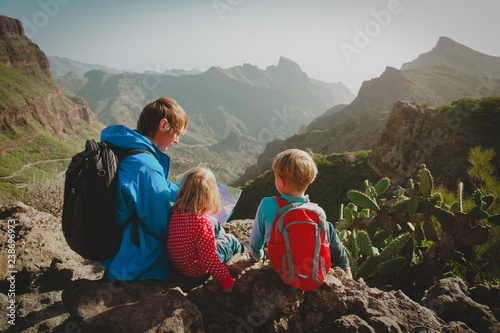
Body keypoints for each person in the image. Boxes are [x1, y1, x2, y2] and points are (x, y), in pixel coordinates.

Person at [99, 96, 188, 281]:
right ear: (164, 125)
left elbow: (154, 186)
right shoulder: (146, 166)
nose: (177, 140)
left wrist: (184, 192)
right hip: (130, 257)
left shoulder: (126, 146)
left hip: (108, 242)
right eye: (177, 133)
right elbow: (161, 226)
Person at [249, 149, 352, 278]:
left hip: (280, 271)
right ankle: (344, 267)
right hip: (312, 274)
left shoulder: (267, 205)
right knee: (328, 227)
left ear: (282, 182)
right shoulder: (318, 212)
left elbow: (254, 243)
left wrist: (257, 257)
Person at [167, 167, 242, 293]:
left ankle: (217, 238)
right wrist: (227, 281)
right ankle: (243, 251)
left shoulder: (176, 210)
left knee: (214, 222)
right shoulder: (202, 222)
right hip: (196, 272)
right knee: (231, 240)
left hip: (178, 265)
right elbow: (209, 259)